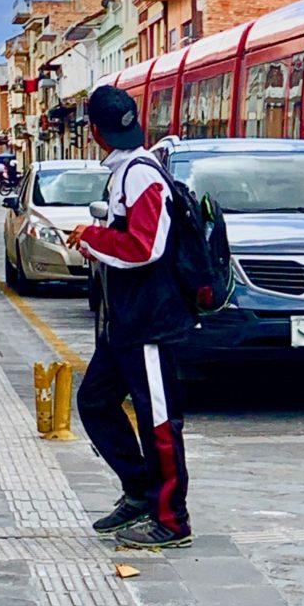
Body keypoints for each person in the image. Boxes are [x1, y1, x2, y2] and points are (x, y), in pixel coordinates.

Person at [65, 85, 194, 549]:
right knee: (96, 402)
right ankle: (140, 491)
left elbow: (144, 247)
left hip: (149, 322)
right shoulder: (125, 172)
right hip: (125, 321)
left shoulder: (141, 176)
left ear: (95, 133)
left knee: (158, 419)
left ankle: (172, 518)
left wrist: (90, 237)